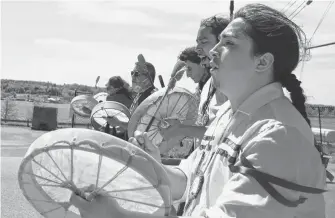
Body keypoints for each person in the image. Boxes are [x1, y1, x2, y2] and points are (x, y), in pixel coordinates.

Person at [69, 4, 327, 218]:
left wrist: (115, 215)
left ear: (263, 61)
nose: (213, 51)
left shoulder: (279, 135)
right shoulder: (229, 114)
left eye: (228, 43)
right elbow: (189, 180)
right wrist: (149, 164)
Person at [162, 16, 230, 150]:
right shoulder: (208, 85)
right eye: (197, 42)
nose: (198, 48)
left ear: (222, 44)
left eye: (204, 42)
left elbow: (228, 134)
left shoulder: (232, 83)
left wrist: (183, 129)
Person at [104, 54, 157, 131]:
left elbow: (143, 127)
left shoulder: (149, 98)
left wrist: (119, 123)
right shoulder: (140, 94)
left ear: (147, 77)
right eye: (132, 73)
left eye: (136, 73)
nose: (133, 76)